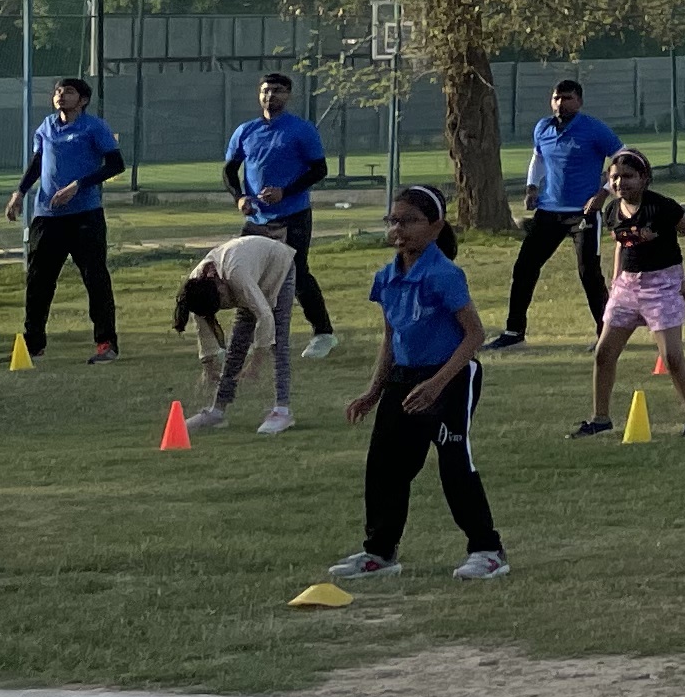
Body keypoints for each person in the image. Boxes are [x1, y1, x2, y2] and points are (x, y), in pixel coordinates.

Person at [322, 183, 506, 583]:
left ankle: (487, 550)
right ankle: (380, 553)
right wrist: (374, 391)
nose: (398, 229)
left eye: (409, 221)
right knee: (384, 466)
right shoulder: (386, 278)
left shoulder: (444, 274)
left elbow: (474, 336)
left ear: (436, 226)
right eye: (393, 220)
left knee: (455, 464)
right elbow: (391, 338)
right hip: (403, 380)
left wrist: (438, 384)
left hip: (450, 377)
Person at [576, 149, 685, 439]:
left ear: (644, 178)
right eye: (615, 178)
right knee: (604, 353)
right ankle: (600, 418)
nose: (621, 183)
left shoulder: (661, 207)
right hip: (627, 285)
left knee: (672, 356)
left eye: (628, 176)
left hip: (662, 283)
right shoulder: (612, 210)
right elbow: (621, 245)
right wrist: (615, 282)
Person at [493, 77, 619, 348]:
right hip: (548, 212)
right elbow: (538, 157)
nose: (561, 103)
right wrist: (531, 187)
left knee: (589, 273)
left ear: (580, 101)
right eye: (557, 98)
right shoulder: (543, 127)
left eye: (568, 98)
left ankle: (606, 335)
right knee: (525, 267)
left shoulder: (594, 129)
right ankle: (514, 333)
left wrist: (604, 193)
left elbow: (623, 157)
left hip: (582, 214)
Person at [218, 72, 339, 351]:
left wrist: (286, 192)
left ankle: (323, 333)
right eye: (265, 91)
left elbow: (319, 169)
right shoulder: (245, 131)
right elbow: (229, 170)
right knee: (244, 274)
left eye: (277, 91)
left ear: (288, 95)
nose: (270, 96)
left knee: (295, 273)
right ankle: (252, 337)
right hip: (256, 217)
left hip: (293, 214)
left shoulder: (301, 129)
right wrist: (239, 198)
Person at [11, 77, 126, 366]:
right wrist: (20, 192)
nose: (61, 95)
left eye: (69, 91)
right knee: (38, 281)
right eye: (58, 91)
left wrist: (79, 185)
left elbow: (116, 164)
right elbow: (38, 162)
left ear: (83, 100)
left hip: (85, 215)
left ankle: (106, 344)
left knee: (95, 279)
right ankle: (33, 345)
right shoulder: (47, 126)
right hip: (47, 217)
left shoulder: (94, 127)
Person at [171, 230, 309, 434]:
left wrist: (255, 363)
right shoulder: (196, 285)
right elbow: (202, 322)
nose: (228, 305)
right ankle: (217, 411)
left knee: (278, 343)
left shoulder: (237, 275)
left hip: (277, 266)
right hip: (251, 271)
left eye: (223, 302)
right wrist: (208, 364)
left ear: (220, 287)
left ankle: (282, 410)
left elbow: (265, 316)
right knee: (237, 346)